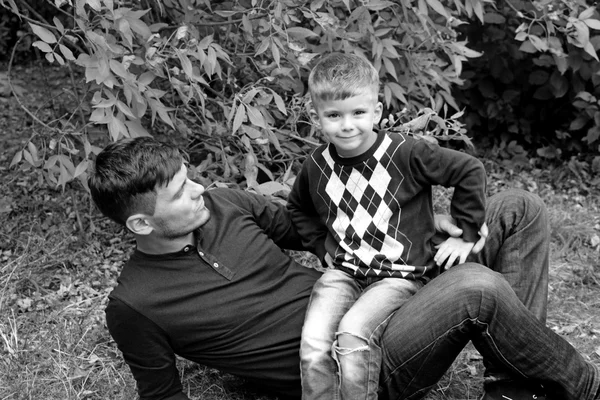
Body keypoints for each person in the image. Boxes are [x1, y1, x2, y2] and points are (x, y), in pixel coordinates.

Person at [88, 136, 600, 400]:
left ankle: (514, 389)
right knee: (476, 288)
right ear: (139, 224)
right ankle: (584, 387)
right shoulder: (136, 304)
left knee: (517, 209)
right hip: (357, 369)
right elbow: (161, 393)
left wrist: (433, 228)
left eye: (190, 177)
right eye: (181, 192)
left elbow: (320, 226)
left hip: (380, 291)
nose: (200, 189)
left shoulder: (222, 204)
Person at [286, 53, 487, 400]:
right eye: (334, 115)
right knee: (314, 341)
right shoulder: (316, 165)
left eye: (358, 113)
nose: (347, 125)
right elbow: (298, 208)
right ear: (316, 116)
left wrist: (467, 233)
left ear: (376, 111)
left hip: (398, 274)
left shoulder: (405, 153)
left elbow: (469, 171)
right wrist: (321, 246)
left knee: (352, 334)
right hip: (345, 271)